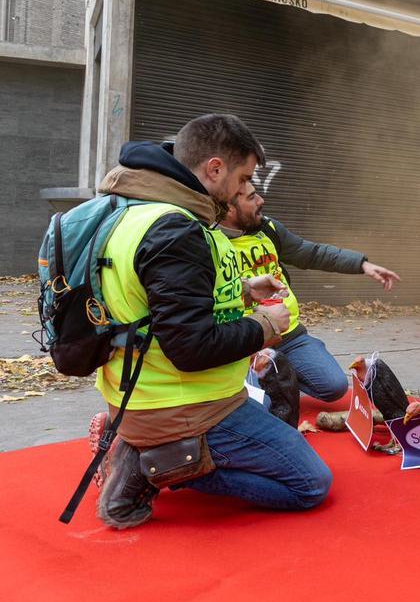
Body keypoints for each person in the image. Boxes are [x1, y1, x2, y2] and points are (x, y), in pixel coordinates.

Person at [89, 114, 331, 529]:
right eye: (243, 178)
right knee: (311, 484)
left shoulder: (138, 211)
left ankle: (143, 448)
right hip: (184, 405)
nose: (246, 190)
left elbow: (151, 302)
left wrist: (242, 290)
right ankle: (156, 467)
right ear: (215, 168)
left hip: (139, 392)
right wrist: (266, 324)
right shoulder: (174, 228)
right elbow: (190, 348)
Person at [221, 190, 401, 401]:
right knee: (257, 404)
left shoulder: (268, 228)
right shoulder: (208, 240)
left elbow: (312, 253)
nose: (261, 200)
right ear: (230, 208)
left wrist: (361, 264)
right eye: (251, 198)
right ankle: (268, 384)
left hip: (290, 337)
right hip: (246, 343)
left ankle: (280, 377)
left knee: (335, 387)